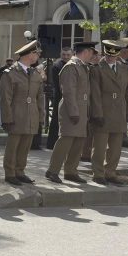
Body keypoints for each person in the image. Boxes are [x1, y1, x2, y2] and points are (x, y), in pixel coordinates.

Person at [45, 41, 96, 184]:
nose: (93, 56)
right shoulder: (71, 67)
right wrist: (74, 112)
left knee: (78, 143)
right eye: (92, 52)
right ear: (86, 52)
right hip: (71, 110)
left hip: (81, 110)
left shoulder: (83, 66)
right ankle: (52, 170)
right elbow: (68, 91)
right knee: (65, 141)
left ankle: (71, 171)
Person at [0, 41, 45, 186]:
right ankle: (10, 173)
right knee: (13, 146)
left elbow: (40, 97)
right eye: (37, 53)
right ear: (30, 54)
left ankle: (20, 171)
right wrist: (7, 119)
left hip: (31, 115)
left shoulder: (35, 73)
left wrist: (41, 117)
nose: (38, 56)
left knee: (25, 145)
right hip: (16, 115)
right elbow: (5, 98)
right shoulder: (10, 73)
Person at [89, 40, 128, 186]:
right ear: (105, 53)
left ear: (118, 54)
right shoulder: (96, 69)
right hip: (104, 111)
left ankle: (110, 172)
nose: (110, 58)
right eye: (108, 55)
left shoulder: (125, 69)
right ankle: (98, 173)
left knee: (115, 148)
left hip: (120, 111)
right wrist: (97, 113)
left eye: (113, 56)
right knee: (100, 147)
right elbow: (95, 94)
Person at [47, 47, 74, 149]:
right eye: (64, 55)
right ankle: (52, 143)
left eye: (68, 55)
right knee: (56, 120)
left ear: (72, 55)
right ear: (60, 55)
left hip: (69, 95)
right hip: (59, 96)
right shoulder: (57, 66)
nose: (66, 57)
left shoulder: (73, 64)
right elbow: (58, 84)